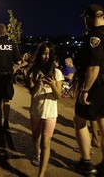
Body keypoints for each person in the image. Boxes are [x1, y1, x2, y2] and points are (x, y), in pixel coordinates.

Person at [73, 4, 104, 176]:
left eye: (85, 19)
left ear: (89, 17)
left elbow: (94, 66)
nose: (85, 22)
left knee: (79, 121)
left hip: (96, 83)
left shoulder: (95, 36)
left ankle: (86, 162)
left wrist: (85, 90)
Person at [27, 42, 63, 177]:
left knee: (45, 142)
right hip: (36, 110)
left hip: (50, 113)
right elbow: (32, 92)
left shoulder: (57, 72)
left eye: (49, 53)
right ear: (39, 54)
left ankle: (41, 174)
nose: (46, 56)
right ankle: (37, 153)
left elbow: (58, 95)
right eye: (44, 53)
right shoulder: (33, 71)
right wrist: (38, 83)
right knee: (35, 137)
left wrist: (53, 84)